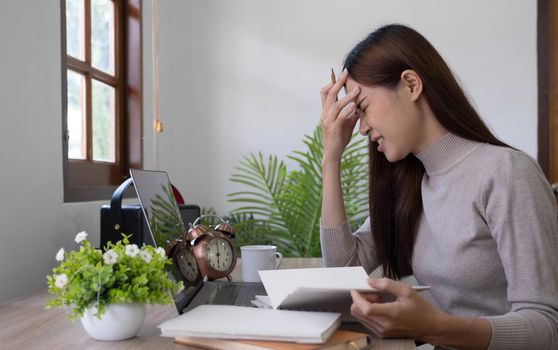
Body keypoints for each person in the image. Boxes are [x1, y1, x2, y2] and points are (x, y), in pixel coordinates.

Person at [319, 24, 558, 350]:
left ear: (411, 84)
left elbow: (547, 327)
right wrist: (331, 158)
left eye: (364, 109)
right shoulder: (407, 182)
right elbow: (342, 272)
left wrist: (436, 328)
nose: (361, 129)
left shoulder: (506, 174)